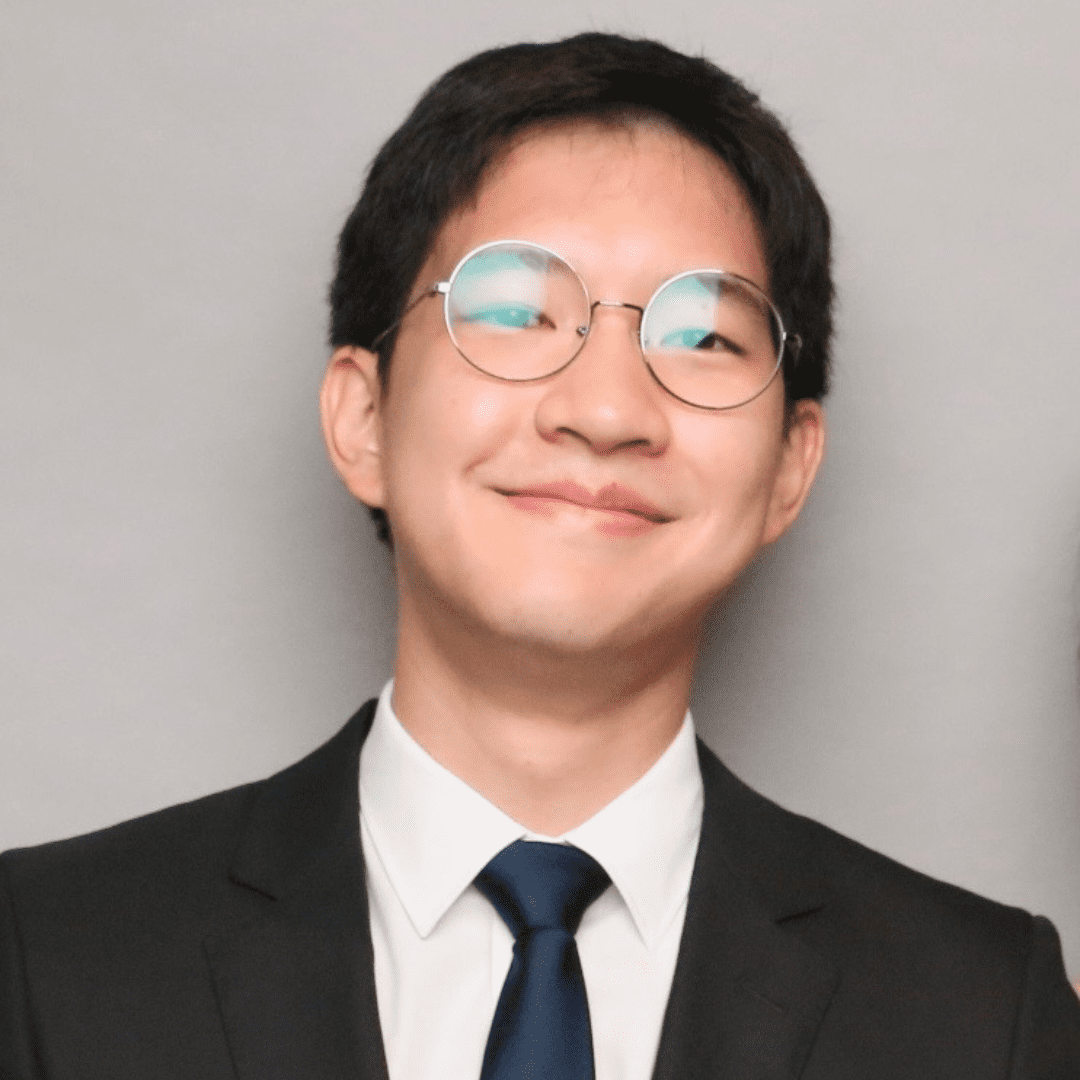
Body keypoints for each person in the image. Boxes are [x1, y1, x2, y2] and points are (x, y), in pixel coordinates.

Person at [1, 31, 1077, 1080]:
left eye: (702, 335)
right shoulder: (45, 958)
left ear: (790, 467)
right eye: (515, 310)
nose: (606, 411)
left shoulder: (986, 1017)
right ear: (363, 417)